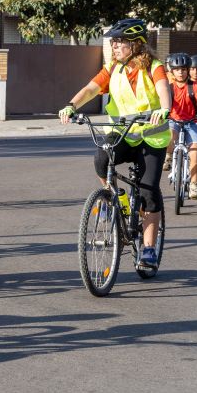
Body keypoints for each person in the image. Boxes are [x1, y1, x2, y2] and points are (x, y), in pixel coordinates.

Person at [59, 18, 171, 269]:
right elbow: (90, 89)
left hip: (151, 137)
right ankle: (115, 199)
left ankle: (148, 249)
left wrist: (164, 109)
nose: (115, 46)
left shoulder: (154, 67)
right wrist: (71, 105)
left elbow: (164, 88)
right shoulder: (112, 68)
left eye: (120, 41)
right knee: (101, 159)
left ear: (136, 44)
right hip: (122, 134)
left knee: (148, 191)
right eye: (114, 42)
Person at [161, 53, 197, 199]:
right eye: (177, 69)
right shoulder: (169, 87)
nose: (180, 72)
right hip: (173, 120)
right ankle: (168, 156)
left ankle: (194, 185)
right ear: (172, 71)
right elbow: (162, 103)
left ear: (188, 70)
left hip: (191, 122)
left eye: (183, 69)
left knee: (195, 151)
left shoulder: (194, 87)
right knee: (170, 135)